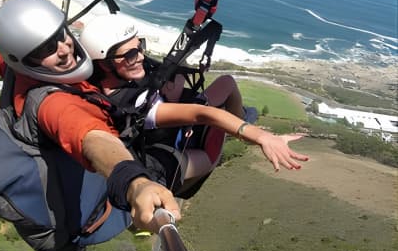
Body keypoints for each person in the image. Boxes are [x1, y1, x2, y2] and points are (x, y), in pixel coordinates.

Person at [0, 0, 181, 232]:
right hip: (93, 213)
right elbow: (91, 137)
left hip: (62, 180)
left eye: (62, 35)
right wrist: (135, 183)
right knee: (180, 157)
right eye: (46, 49)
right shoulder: (55, 104)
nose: (64, 49)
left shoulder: (15, 67)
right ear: (26, 59)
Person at [78, 13, 309, 181]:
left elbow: (161, 71)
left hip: (163, 126)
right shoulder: (133, 103)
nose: (139, 56)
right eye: (129, 54)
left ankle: (241, 119)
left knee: (226, 82)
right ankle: (243, 127)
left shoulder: (111, 78)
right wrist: (262, 137)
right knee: (214, 140)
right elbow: (203, 113)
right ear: (105, 63)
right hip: (165, 154)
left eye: (140, 47)